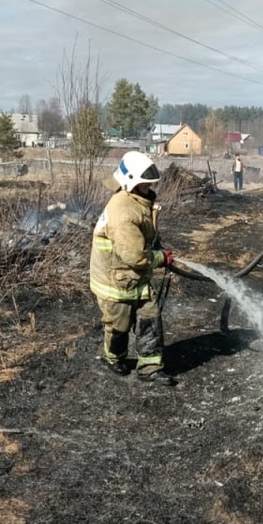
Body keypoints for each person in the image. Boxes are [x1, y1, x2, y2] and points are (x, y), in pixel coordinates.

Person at [89, 151, 178, 386]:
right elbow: (134, 255)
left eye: (150, 184)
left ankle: (150, 368)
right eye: (145, 185)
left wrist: (157, 248)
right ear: (131, 182)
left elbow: (143, 240)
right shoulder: (123, 211)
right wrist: (159, 259)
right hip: (114, 281)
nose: (149, 188)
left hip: (134, 278)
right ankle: (114, 358)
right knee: (119, 325)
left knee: (150, 318)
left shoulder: (137, 202)